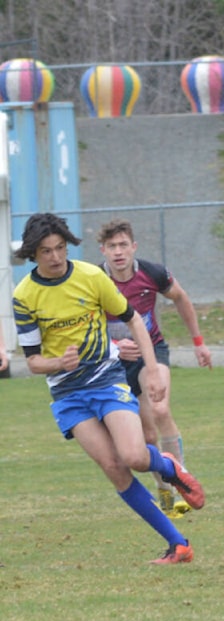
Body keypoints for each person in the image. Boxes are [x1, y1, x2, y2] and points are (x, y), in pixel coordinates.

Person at [12, 213, 205, 564]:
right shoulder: (24, 295)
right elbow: (32, 361)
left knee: (133, 455)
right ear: (32, 254)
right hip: (68, 394)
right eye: (45, 251)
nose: (55, 257)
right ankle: (179, 544)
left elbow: (133, 319)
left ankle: (171, 468)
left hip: (106, 379)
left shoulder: (90, 276)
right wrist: (58, 363)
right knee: (115, 469)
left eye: (59, 248)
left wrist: (151, 369)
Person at [97, 219, 213, 518]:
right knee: (147, 436)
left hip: (154, 353)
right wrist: (114, 345)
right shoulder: (94, 279)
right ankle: (165, 489)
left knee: (160, 409)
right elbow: (86, 323)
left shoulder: (152, 273)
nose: (119, 252)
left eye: (124, 245)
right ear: (103, 251)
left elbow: (181, 298)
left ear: (134, 247)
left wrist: (198, 343)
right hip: (115, 364)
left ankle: (181, 480)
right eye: (112, 246)